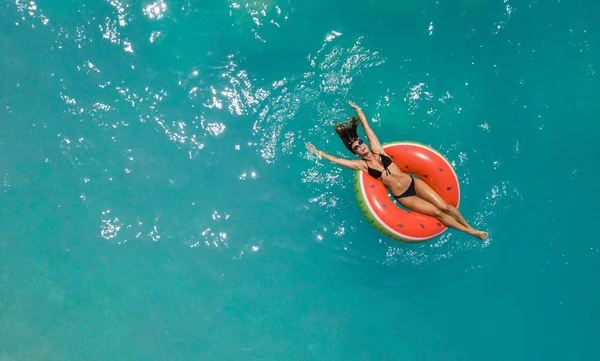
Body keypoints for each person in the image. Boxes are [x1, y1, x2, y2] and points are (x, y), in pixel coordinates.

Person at [305, 101, 488, 240]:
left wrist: (358, 111)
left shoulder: (377, 148)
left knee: (445, 207)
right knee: (438, 214)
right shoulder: (362, 165)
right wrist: (318, 152)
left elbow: (367, 128)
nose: (361, 147)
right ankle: (471, 232)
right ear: (356, 153)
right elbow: (338, 161)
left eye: (360, 143)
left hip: (414, 182)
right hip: (405, 196)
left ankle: (469, 226)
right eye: (357, 148)